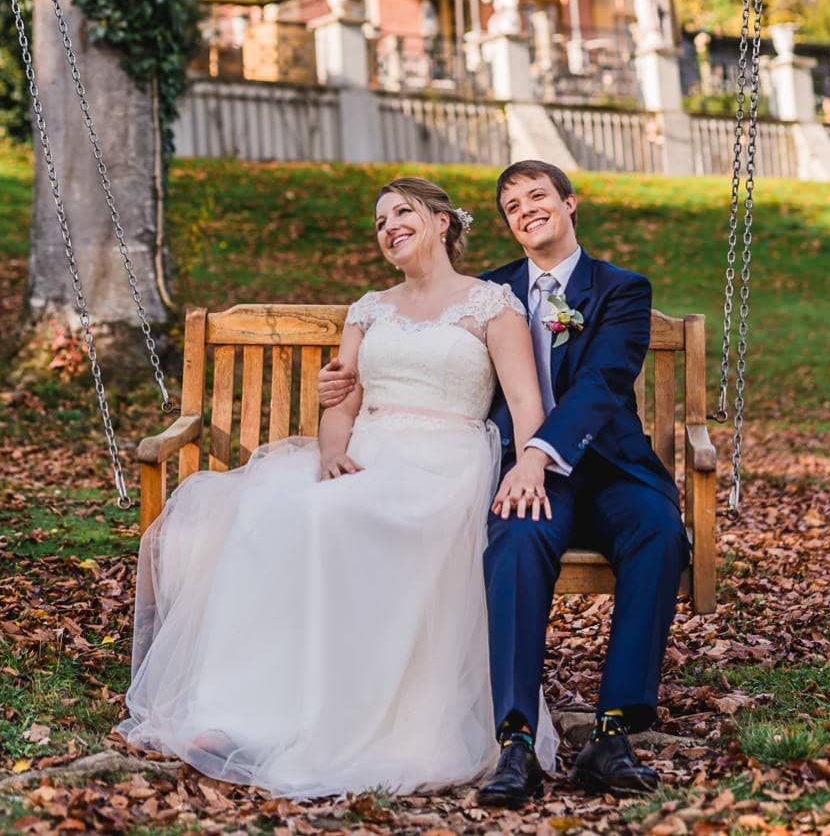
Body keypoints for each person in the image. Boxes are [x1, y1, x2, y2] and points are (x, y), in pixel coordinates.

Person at [119, 176, 556, 798]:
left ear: (440, 222)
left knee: (341, 520)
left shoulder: (492, 305)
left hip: (446, 460)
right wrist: (329, 453)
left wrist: (529, 462)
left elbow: (523, 402)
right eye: (380, 223)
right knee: (271, 509)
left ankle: (360, 715)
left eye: (402, 213)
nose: (389, 228)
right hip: (366, 451)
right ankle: (247, 708)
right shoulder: (369, 308)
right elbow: (342, 402)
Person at [319, 159, 689, 808]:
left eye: (537, 195)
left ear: (570, 202)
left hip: (608, 468)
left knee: (659, 532)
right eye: (511, 205)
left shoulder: (621, 288)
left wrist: (539, 452)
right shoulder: (489, 291)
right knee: (516, 540)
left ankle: (612, 732)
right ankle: (514, 740)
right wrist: (341, 386)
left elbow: (603, 380)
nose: (526, 209)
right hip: (521, 472)